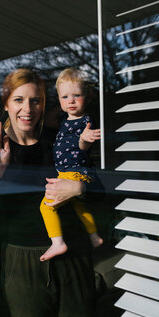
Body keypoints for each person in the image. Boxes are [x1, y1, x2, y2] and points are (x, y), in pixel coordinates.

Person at [0, 68, 97, 317]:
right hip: (25, 261)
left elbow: (99, 188)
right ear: (6, 104)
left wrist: (81, 187)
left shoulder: (59, 141)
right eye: (19, 100)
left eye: (35, 100)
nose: (27, 109)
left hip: (73, 254)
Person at [40, 68, 103, 262]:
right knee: (80, 208)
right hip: (67, 173)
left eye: (77, 95)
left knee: (47, 206)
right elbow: (50, 119)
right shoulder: (64, 120)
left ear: (88, 97)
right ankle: (95, 238)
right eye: (65, 97)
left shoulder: (85, 121)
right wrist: (62, 105)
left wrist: (85, 139)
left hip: (75, 173)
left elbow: (83, 146)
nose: (71, 101)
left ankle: (58, 243)